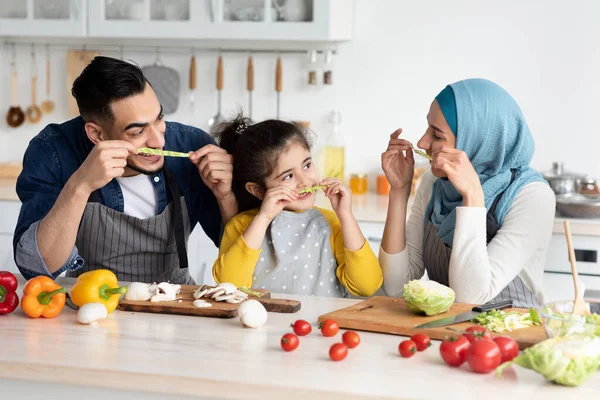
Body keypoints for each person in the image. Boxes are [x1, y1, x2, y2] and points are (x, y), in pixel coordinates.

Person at [13, 56, 237, 284]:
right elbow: (36, 267)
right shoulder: (54, 150)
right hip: (89, 303)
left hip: (174, 304)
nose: (159, 141)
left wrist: (226, 196)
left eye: (159, 118)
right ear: (97, 134)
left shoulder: (192, 146)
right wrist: (80, 185)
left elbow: (241, 259)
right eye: (137, 132)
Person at [379, 78, 555, 307]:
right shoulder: (433, 182)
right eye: (427, 128)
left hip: (511, 335)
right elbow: (395, 286)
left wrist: (472, 195)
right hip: (449, 334)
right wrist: (399, 191)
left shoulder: (532, 198)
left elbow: (470, 297)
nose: (422, 143)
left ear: (478, 141)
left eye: (437, 135)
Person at [212, 115, 382, 297]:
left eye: (307, 165)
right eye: (288, 176)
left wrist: (345, 215)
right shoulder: (241, 226)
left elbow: (367, 285)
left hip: (322, 325)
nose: (304, 181)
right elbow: (229, 285)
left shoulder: (332, 223)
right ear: (258, 190)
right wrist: (263, 218)